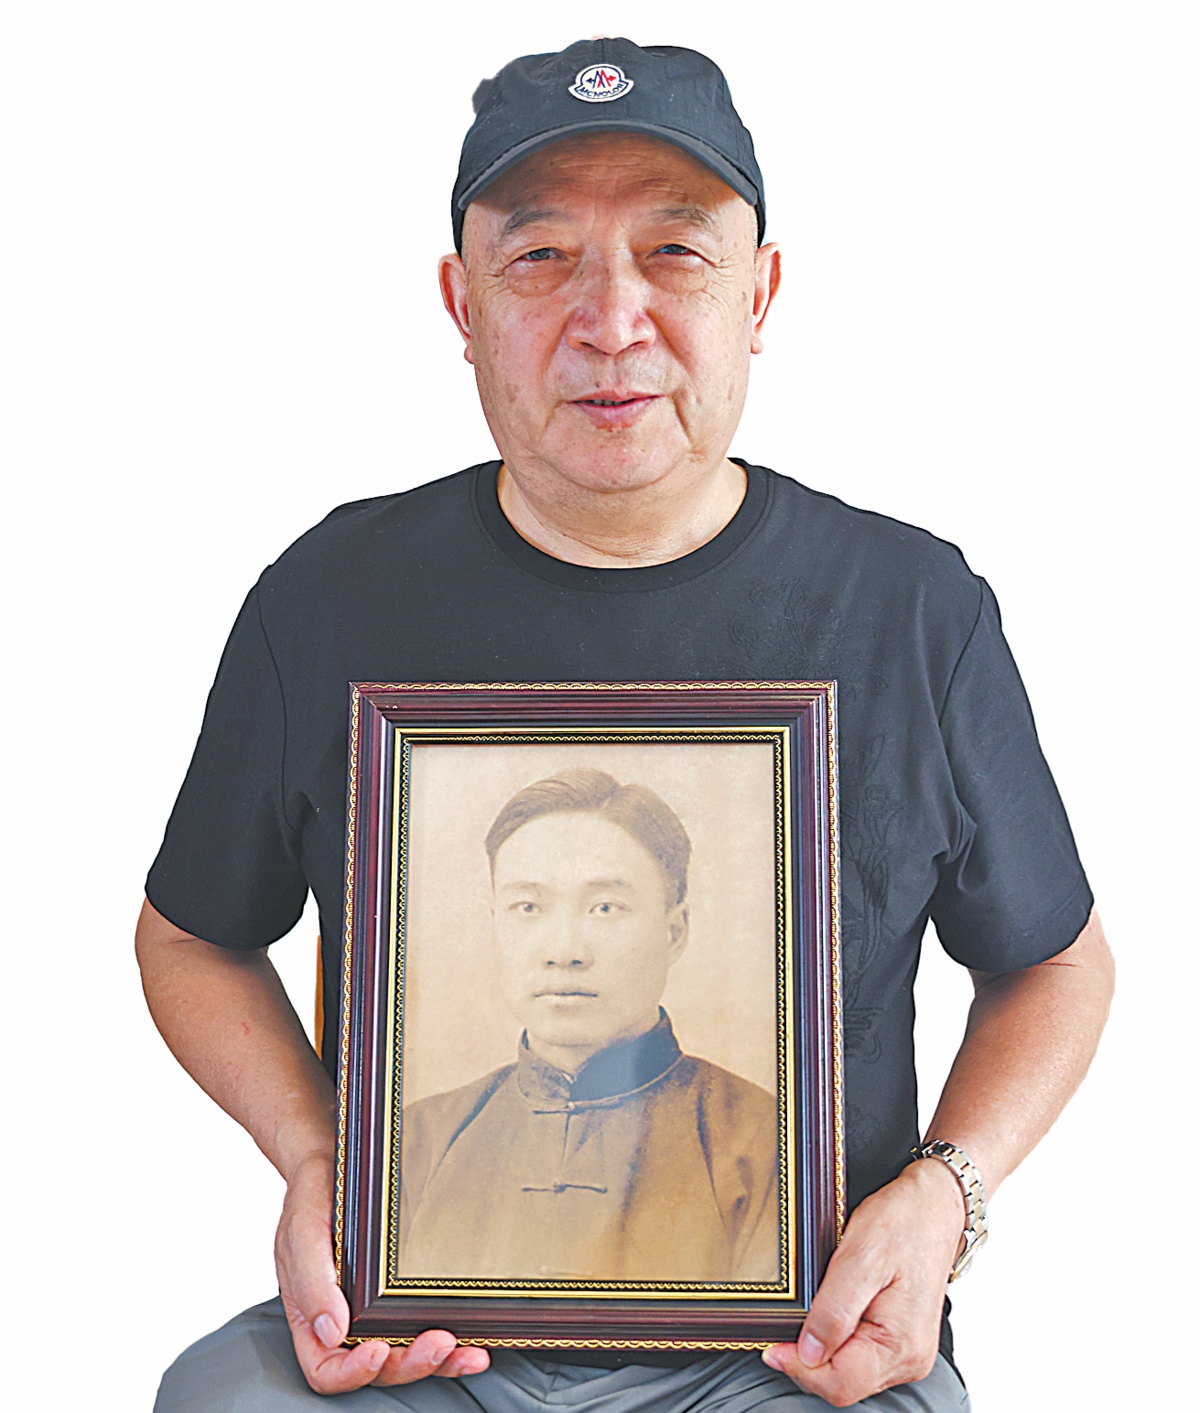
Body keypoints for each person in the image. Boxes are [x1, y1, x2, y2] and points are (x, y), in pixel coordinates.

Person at [139, 35, 1114, 1411]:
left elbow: (1057, 964)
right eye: (542, 257)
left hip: (800, 1356)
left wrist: (945, 1197)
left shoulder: (910, 609)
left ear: (758, 293)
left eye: (675, 252)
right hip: (420, 1343)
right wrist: (317, 1160)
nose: (610, 320)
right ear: (461, 301)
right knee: (215, 1395)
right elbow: (189, 935)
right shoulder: (328, 601)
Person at [399, 767, 780, 1285]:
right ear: (494, 923)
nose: (564, 952)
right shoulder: (420, 1140)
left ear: (674, 931)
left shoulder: (762, 1141)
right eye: (527, 907)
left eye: (605, 907)